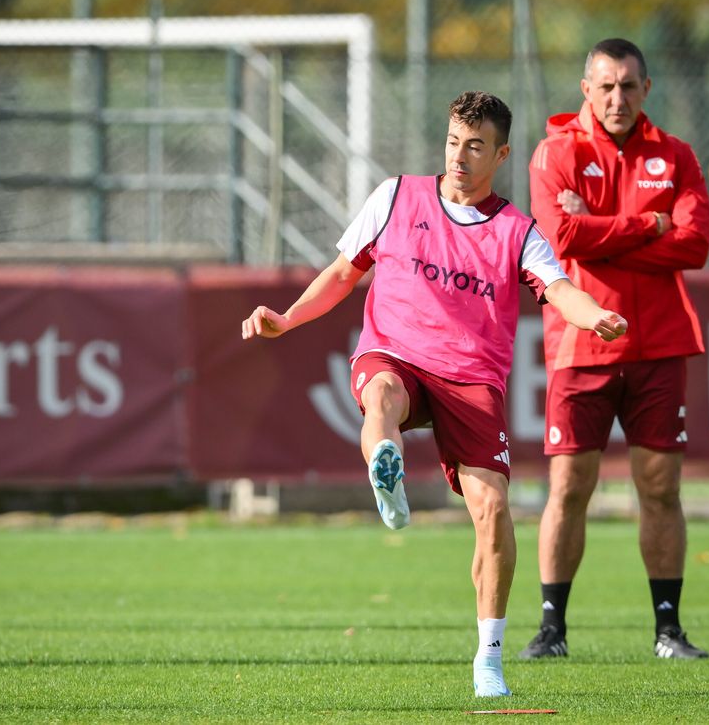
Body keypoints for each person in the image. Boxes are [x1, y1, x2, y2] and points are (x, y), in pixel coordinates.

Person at [242, 91, 628, 697]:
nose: (459, 156)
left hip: (471, 379)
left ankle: (488, 661)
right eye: (453, 141)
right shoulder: (396, 196)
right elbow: (344, 273)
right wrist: (287, 319)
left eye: (475, 146)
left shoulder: (515, 229)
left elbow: (558, 289)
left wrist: (593, 314)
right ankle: (384, 471)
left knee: (494, 512)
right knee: (383, 395)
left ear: (500, 153)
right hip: (395, 351)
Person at [521, 38, 709, 660]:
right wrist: (649, 222)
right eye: (605, 85)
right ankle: (552, 631)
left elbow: (694, 246)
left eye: (629, 85)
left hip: (659, 342)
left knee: (659, 487)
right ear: (586, 89)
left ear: (646, 90)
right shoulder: (555, 153)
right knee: (570, 487)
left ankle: (668, 630)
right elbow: (562, 236)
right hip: (580, 343)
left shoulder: (676, 155)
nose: (617, 97)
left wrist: (600, 233)